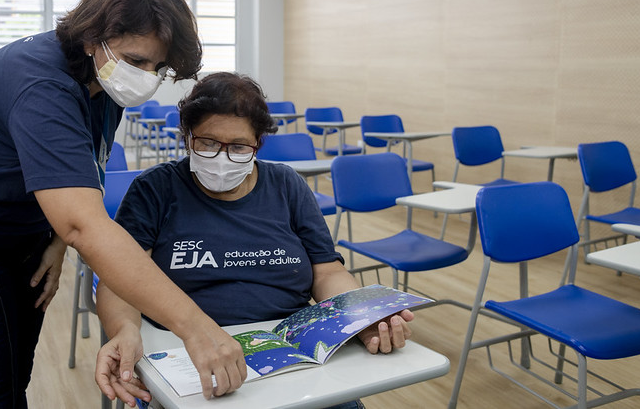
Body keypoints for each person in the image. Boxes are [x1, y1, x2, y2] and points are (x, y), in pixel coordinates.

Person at [0, 0, 246, 408]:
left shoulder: (104, 79)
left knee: (15, 371)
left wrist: (56, 241)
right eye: (136, 61)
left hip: (23, 227)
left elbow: (87, 167)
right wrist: (197, 327)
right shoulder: (42, 84)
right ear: (91, 37)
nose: (146, 77)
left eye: (159, 68)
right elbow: (85, 223)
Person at [95, 72, 414, 409]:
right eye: (206, 143)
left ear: (257, 144)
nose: (221, 158)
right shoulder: (155, 189)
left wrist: (359, 316)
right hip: (188, 351)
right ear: (187, 137)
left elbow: (327, 273)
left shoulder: (286, 185)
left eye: (237, 147)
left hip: (290, 348)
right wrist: (124, 329)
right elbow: (119, 281)